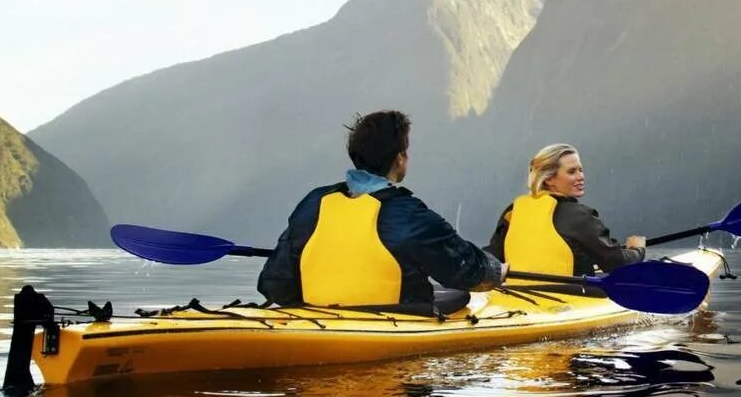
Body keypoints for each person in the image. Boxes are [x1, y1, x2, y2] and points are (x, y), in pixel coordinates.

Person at [258, 110, 503, 312]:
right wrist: (497, 270)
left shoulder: (312, 204)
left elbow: (275, 284)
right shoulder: (410, 215)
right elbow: (467, 272)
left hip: (316, 318)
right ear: (399, 158)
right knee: (459, 296)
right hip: (395, 322)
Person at [488, 144, 645, 281]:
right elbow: (617, 264)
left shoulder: (514, 210)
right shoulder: (580, 216)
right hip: (570, 302)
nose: (581, 177)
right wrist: (637, 250)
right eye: (572, 172)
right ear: (549, 179)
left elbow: (492, 258)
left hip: (519, 301)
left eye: (581, 170)